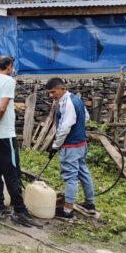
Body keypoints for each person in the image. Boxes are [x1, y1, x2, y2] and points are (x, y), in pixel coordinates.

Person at [0, 56, 40, 227]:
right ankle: (20, 210)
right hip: (5, 135)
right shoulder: (8, 81)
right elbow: (2, 107)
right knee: (12, 173)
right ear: (9, 66)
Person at [46, 78, 96, 219]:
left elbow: (64, 128)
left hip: (71, 146)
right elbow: (86, 117)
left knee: (70, 177)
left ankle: (68, 211)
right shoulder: (76, 99)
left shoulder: (67, 103)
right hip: (81, 144)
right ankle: (89, 204)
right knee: (83, 172)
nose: (51, 95)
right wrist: (78, 129)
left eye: (53, 92)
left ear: (62, 89)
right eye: (49, 93)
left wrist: (55, 146)